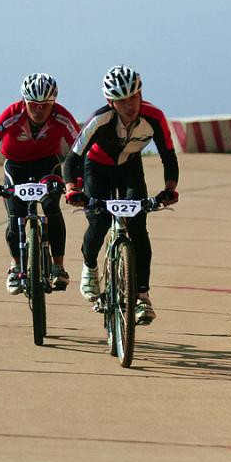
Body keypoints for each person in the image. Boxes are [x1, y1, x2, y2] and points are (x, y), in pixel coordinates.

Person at [63, 65, 179, 325]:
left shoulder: (154, 118)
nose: (129, 106)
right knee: (100, 220)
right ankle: (90, 267)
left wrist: (170, 189)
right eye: (122, 100)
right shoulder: (100, 119)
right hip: (96, 167)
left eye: (134, 97)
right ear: (110, 102)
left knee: (138, 227)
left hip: (129, 167)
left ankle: (142, 297)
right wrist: (72, 188)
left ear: (141, 94)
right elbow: (72, 157)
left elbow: (168, 156)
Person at [0, 73, 81, 294]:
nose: (39, 110)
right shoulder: (12, 114)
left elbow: (82, 151)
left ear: (54, 103)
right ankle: (16, 266)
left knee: (52, 207)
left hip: (47, 165)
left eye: (45, 105)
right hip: (16, 166)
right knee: (15, 215)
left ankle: (58, 266)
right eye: (33, 105)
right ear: (25, 102)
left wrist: (78, 181)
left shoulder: (62, 117)